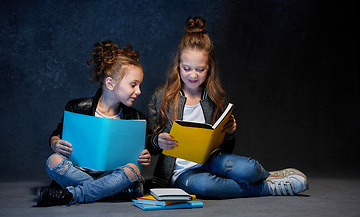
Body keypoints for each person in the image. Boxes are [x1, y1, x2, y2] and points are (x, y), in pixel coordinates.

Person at [146, 17, 308, 198]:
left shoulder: (215, 97)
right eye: (186, 68)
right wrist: (157, 141)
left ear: (209, 68)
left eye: (200, 70)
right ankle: (267, 188)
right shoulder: (162, 97)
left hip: (212, 160)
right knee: (205, 187)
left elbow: (226, 148)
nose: (193, 75)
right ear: (178, 66)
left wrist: (229, 133)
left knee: (250, 168)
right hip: (181, 173)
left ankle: (265, 176)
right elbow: (148, 144)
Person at [37, 40, 151, 207]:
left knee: (133, 169)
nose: (139, 91)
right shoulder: (77, 107)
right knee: (53, 161)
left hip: (114, 176)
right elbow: (57, 134)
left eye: (139, 85)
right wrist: (56, 143)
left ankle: (71, 195)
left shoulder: (136, 117)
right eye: (133, 85)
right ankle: (110, 192)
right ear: (110, 83)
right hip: (79, 172)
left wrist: (144, 156)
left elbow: (140, 153)